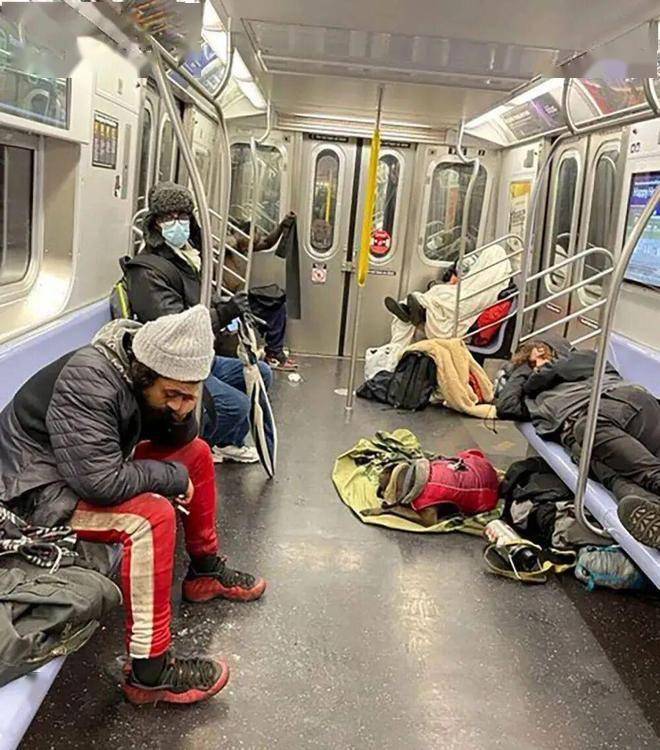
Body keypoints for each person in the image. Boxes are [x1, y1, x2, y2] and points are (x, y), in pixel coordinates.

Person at [0, 306, 266, 705]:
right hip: (31, 495)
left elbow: (180, 441)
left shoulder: (146, 376)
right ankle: (149, 671)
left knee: (196, 454)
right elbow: (100, 482)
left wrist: (178, 412)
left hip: (73, 472)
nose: (182, 403)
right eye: (172, 394)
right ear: (144, 376)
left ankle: (205, 571)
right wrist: (169, 478)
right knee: (150, 518)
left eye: (190, 394)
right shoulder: (90, 379)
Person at [125, 181, 273, 464]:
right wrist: (224, 313)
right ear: (154, 223)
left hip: (200, 357)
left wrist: (228, 310)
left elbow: (198, 301)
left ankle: (228, 443)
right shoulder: (147, 270)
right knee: (236, 406)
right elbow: (174, 330)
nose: (177, 223)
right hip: (173, 366)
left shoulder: (185, 258)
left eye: (183, 216)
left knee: (262, 373)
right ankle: (190, 450)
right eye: (168, 217)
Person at [495, 334, 660, 550]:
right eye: (531, 363)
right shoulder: (533, 396)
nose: (537, 366)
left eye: (542, 354)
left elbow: (556, 368)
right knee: (606, 473)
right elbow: (506, 407)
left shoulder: (584, 359)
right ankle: (653, 509)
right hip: (587, 439)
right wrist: (522, 368)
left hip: (625, 408)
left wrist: (534, 371)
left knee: (587, 429)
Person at [225, 215, 298, 371]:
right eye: (251, 240)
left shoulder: (244, 246)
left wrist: (281, 227)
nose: (252, 246)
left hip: (240, 298)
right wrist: (238, 238)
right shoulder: (228, 246)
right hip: (228, 301)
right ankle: (274, 354)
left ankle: (274, 352)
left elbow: (267, 243)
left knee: (277, 303)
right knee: (274, 308)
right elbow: (227, 242)